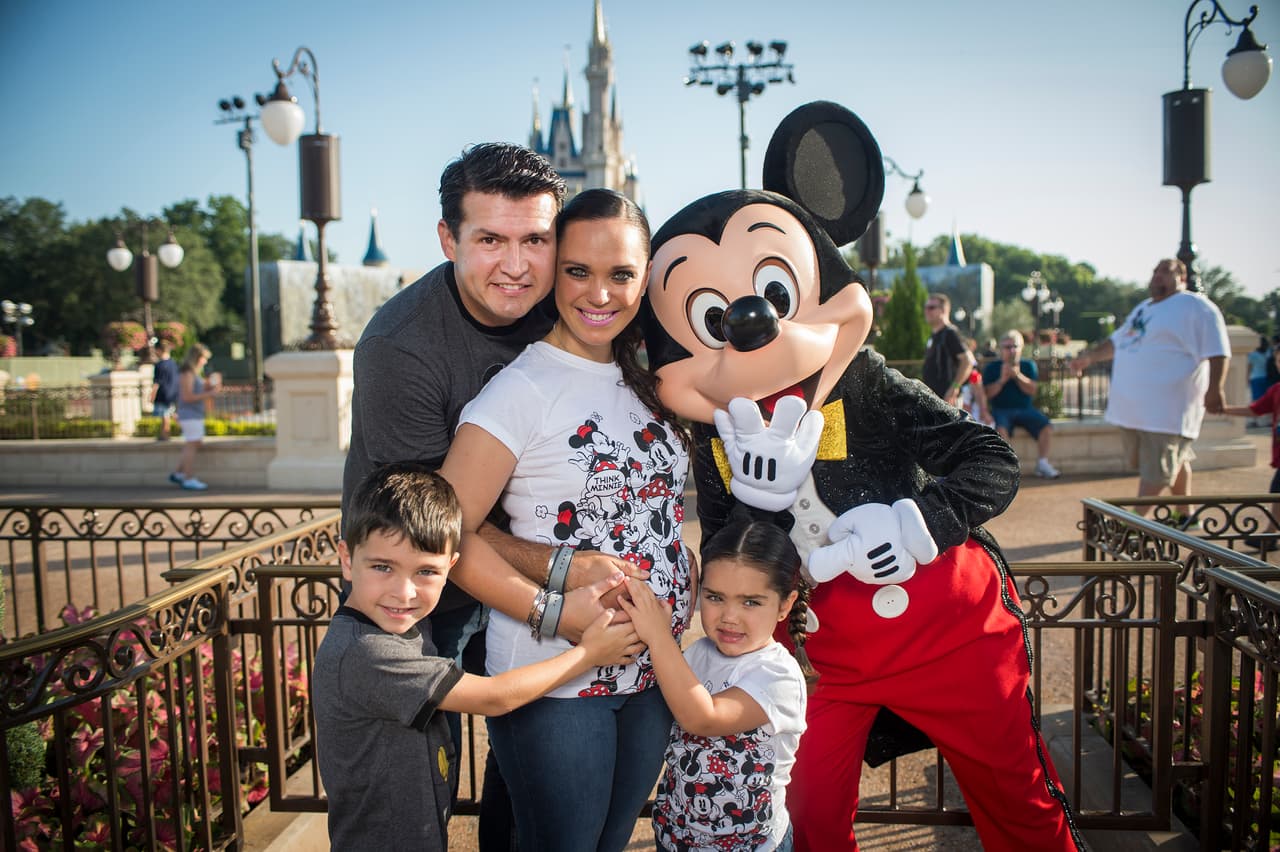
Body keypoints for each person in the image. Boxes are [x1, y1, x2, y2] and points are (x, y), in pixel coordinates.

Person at [343, 143, 638, 846]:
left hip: (517, 571)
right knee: (415, 793)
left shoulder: (569, 306)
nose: (515, 265)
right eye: (489, 240)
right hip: (420, 595)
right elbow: (427, 532)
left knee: (526, 775)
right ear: (448, 239)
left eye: (535, 239)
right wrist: (557, 587)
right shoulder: (401, 346)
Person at [438, 189, 694, 852]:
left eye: (621, 275)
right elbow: (442, 537)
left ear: (645, 279)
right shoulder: (520, 389)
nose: (599, 294)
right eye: (578, 271)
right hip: (556, 676)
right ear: (554, 273)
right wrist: (559, 610)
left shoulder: (649, 377)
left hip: (651, 669)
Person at [314, 462, 642, 852]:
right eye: (383, 567)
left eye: (425, 572)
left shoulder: (387, 628)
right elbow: (494, 697)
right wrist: (590, 653)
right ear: (347, 559)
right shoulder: (368, 652)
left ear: (451, 568)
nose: (404, 592)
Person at [619, 520, 810, 852]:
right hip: (676, 837)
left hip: (751, 846)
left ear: (785, 605)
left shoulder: (778, 675)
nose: (729, 616)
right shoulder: (698, 654)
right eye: (715, 597)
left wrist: (658, 635)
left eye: (751, 602)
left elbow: (703, 718)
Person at [1070, 258, 1229, 514]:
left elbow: (1218, 350)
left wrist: (1215, 389)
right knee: (1174, 460)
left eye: (1166, 271)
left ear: (1183, 278)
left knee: (1157, 471)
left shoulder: (1196, 307)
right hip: (1137, 411)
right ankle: (1185, 515)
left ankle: (1135, 523)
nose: (1157, 276)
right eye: (1155, 271)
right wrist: (1087, 359)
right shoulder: (1144, 308)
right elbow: (1117, 342)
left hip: (1167, 411)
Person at [1222, 344, 1280, 551]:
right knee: (1276, 493)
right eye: (1278, 361)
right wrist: (1225, 410)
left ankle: (1270, 534)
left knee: (1276, 492)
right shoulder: (1276, 390)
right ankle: (1269, 534)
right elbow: (1255, 410)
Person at [983, 329, 1061, 479]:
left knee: (1046, 426)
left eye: (1015, 346)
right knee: (1000, 430)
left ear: (1021, 348)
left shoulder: (1028, 365)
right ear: (1001, 349)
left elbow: (1032, 390)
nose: (1011, 351)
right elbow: (987, 394)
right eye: (1007, 347)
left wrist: (1017, 376)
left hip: (1025, 409)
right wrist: (1002, 380)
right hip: (1001, 410)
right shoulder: (992, 368)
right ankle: (1006, 469)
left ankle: (1043, 464)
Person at [172, 343, 219, 491]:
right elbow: (187, 396)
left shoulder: (193, 373)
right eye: (203, 358)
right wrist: (209, 394)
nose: (205, 361)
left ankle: (179, 473)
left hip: (194, 414)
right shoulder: (187, 373)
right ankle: (188, 478)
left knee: (194, 443)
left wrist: (209, 387)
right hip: (189, 414)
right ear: (196, 357)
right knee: (192, 445)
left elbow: (196, 390)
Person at [921, 292, 976, 405]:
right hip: (935, 398)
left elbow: (968, 360)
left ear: (943, 310)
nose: (927, 311)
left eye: (931, 307)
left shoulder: (950, 333)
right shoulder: (935, 335)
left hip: (947, 400)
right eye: (926, 307)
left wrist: (954, 388)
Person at [149, 340, 179, 441]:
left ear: (159, 350)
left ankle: (166, 434)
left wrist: (152, 395)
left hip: (163, 393)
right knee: (170, 413)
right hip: (172, 392)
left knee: (165, 415)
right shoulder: (174, 364)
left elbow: (157, 382)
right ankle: (164, 433)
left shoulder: (159, 365)